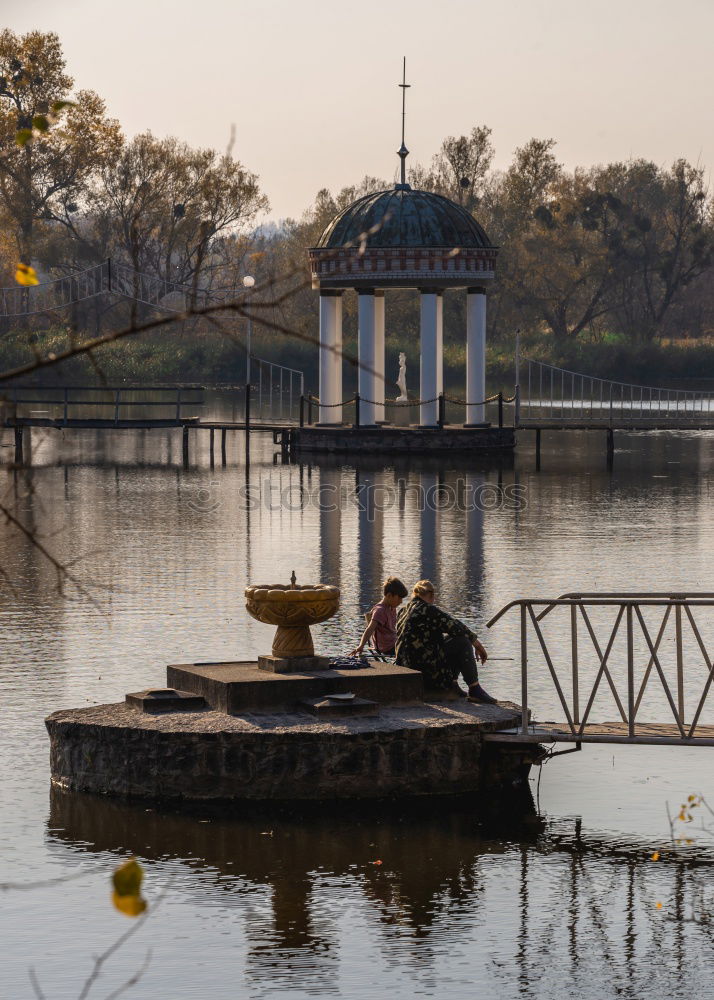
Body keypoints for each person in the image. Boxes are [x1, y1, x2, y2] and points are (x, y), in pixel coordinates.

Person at [394, 579, 497, 704]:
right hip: (426, 674)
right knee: (462, 641)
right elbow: (455, 626)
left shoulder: (403, 611)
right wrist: (477, 645)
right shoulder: (428, 610)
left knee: (449, 640)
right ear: (431, 595)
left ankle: (453, 685)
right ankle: (474, 689)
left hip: (405, 670)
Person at [350, 577, 409, 658]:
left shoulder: (392, 607)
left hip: (393, 642)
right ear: (389, 595)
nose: (401, 601)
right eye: (399, 598)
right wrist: (361, 646)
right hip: (386, 647)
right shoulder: (380, 610)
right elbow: (370, 629)